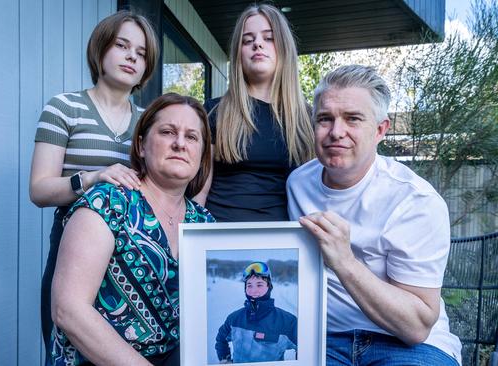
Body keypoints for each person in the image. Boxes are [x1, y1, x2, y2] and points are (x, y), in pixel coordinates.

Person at [287, 65, 462, 366]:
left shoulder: (414, 200)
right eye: (324, 119)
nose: (336, 132)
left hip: (406, 346)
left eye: (352, 118)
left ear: (381, 129)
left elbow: (417, 327)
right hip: (322, 340)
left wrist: (344, 261)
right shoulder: (298, 183)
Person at [47, 93, 215, 366]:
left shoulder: (204, 223)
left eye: (192, 137)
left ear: (202, 154)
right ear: (141, 146)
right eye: (167, 132)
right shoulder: (108, 203)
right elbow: (68, 309)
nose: (180, 143)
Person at [29, 11, 159, 350]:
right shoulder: (64, 107)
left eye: (142, 53)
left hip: (136, 253)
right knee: (67, 347)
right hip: (74, 246)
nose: (132, 56)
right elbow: (39, 189)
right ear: (100, 49)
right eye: (122, 45)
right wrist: (94, 177)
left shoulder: (150, 122)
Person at [195, 3, 315, 221]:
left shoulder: (308, 118)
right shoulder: (214, 111)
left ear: (284, 47)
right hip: (217, 237)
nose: (258, 44)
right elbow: (200, 190)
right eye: (247, 40)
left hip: (285, 245)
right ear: (238, 53)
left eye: (268, 38)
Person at [215, 261, 297, 364]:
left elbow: (307, 349)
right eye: (249, 285)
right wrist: (225, 360)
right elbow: (221, 339)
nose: (254, 291)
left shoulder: (288, 322)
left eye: (259, 285)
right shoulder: (234, 318)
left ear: (269, 287)